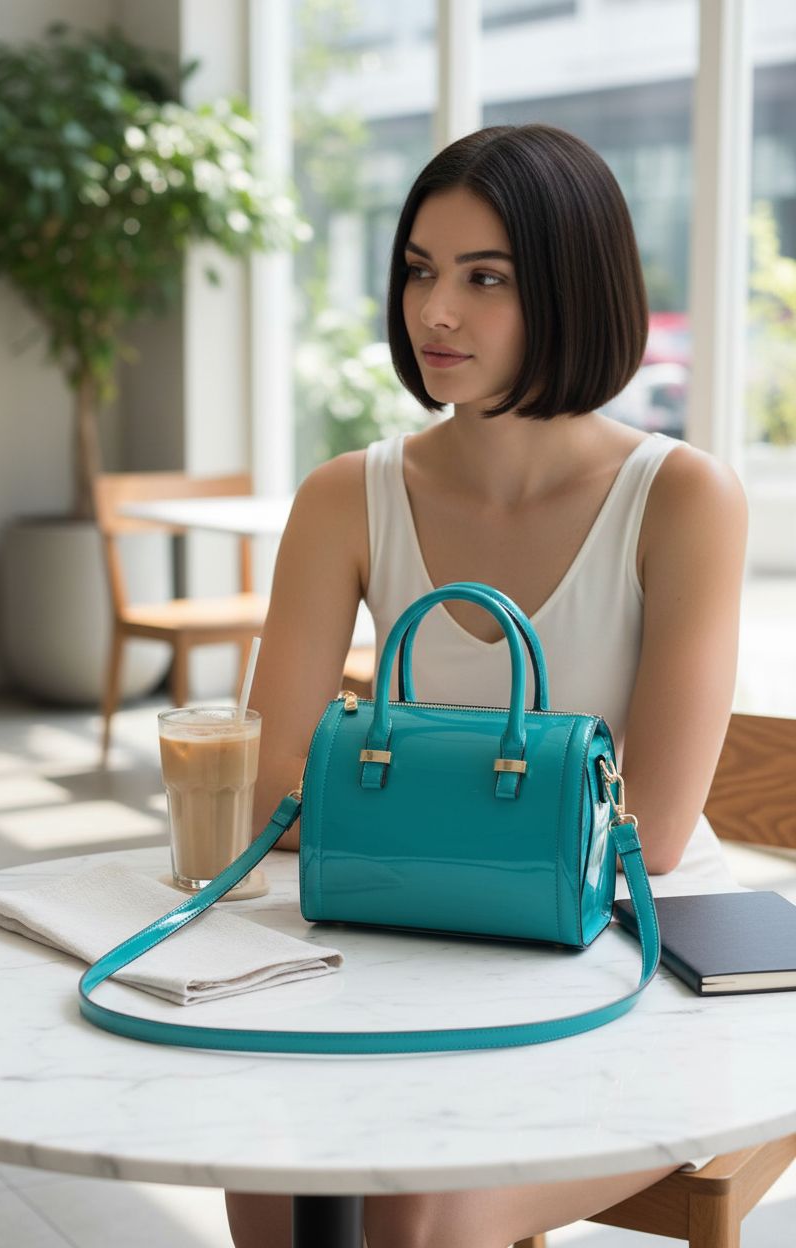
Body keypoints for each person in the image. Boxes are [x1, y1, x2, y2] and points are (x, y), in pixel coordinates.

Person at [224, 123, 748, 1248]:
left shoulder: (683, 499)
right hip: (406, 941)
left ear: (569, 288)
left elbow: (648, 835)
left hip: (624, 957)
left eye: (484, 278)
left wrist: (380, 801)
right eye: (418, 270)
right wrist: (517, 804)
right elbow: (273, 793)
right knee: (267, 1186)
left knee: (413, 1213)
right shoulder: (342, 497)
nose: (435, 313)